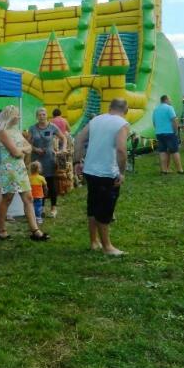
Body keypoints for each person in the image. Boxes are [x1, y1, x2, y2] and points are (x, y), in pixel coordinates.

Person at [74, 98, 129, 256]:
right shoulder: (122, 124)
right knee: (104, 209)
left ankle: (94, 241)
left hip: (90, 170)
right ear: (126, 110)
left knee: (93, 205)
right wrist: (122, 172)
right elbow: (121, 150)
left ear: (109, 107)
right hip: (107, 173)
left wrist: (77, 161)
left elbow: (79, 139)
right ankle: (107, 247)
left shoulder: (96, 119)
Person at [0, 106, 49, 241]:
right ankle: (1, 229)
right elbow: (16, 153)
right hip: (9, 171)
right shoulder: (2, 132)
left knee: (29, 198)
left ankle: (35, 231)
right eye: (17, 115)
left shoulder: (16, 131)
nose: (19, 117)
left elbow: (29, 148)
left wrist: (21, 149)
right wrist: (22, 149)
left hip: (20, 168)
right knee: (7, 199)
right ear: (9, 116)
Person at [28, 107, 67, 218]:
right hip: (36, 160)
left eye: (44, 114)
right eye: (39, 115)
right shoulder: (32, 128)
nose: (42, 116)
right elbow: (27, 143)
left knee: (51, 183)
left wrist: (63, 149)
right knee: (38, 183)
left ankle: (53, 208)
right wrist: (35, 149)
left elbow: (63, 138)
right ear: (36, 117)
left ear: (47, 115)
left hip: (49, 158)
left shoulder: (52, 127)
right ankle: (41, 207)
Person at [152, 95, 184, 175]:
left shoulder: (155, 109)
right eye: (170, 99)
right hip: (170, 133)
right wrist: (175, 131)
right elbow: (174, 120)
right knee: (175, 151)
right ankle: (180, 170)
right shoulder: (169, 108)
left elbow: (154, 123)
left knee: (162, 151)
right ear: (166, 100)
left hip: (159, 133)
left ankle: (164, 170)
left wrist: (159, 130)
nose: (170, 101)